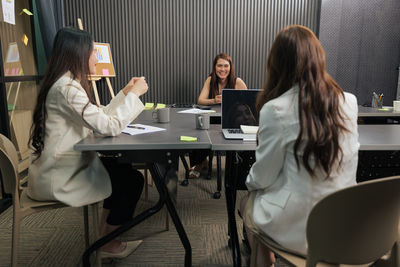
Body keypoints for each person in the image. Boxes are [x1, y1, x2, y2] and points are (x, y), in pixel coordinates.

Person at [240, 25, 359, 266]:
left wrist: (250, 183)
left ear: (277, 63)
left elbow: (263, 177)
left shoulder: (276, 108)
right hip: (346, 225)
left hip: (303, 232)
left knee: (248, 200)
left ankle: (266, 259)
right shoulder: (350, 101)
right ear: (318, 57)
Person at [28, 28, 149, 258]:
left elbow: (100, 115)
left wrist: (124, 92)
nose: (97, 57)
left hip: (59, 167)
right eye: (93, 52)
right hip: (58, 176)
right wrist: (134, 95)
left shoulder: (64, 83)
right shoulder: (67, 88)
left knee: (121, 171)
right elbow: (109, 126)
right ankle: (107, 243)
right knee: (131, 181)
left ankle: (104, 238)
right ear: (78, 53)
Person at [190, 53, 248, 178]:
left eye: (226, 66)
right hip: (213, 118)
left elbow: (248, 103)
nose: (222, 69)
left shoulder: (237, 82)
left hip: (231, 120)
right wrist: (214, 101)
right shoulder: (210, 79)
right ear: (214, 67)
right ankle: (201, 162)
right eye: (219, 65)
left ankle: (231, 165)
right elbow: (200, 100)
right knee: (198, 130)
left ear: (230, 67)